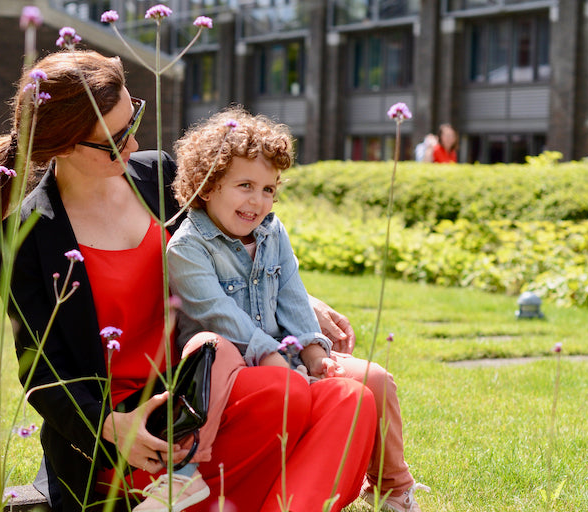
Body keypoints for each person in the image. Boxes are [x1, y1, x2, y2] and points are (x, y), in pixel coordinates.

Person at [0, 49, 379, 512]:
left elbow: (228, 254)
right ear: (64, 145)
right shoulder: (26, 234)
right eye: (116, 139)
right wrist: (110, 426)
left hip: (218, 377)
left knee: (353, 396)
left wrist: (299, 300)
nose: (134, 144)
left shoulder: (161, 175)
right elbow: (41, 369)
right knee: (285, 393)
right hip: (139, 423)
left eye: (133, 120)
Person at [167, 107, 430, 512]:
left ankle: (392, 486)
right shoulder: (186, 248)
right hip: (230, 371)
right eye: (245, 185)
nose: (257, 201)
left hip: (285, 357)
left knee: (374, 378)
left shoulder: (273, 232)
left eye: (268, 189)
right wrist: (279, 361)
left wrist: (315, 354)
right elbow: (221, 316)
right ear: (208, 184)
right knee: (305, 387)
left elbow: (292, 296)